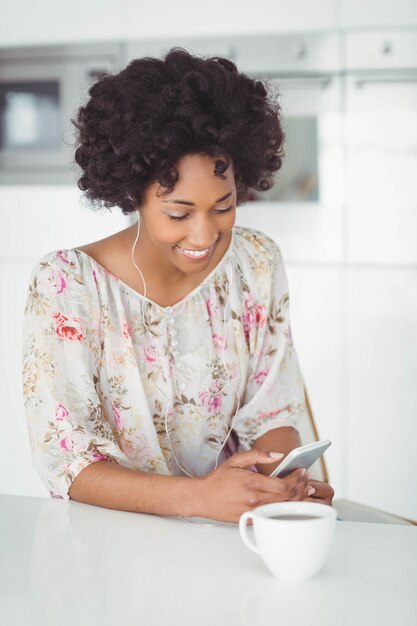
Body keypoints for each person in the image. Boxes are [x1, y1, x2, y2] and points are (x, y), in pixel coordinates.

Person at [21, 47, 334, 523]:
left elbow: (273, 414)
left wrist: (279, 484)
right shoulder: (67, 286)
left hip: (230, 537)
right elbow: (69, 464)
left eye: (223, 207)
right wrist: (199, 499)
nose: (204, 236)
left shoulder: (257, 262)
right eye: (178, 213)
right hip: (108, 549)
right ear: (133, 194)